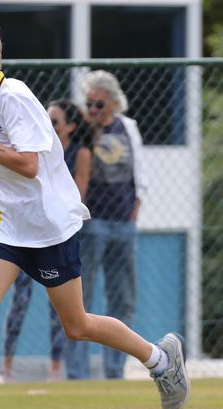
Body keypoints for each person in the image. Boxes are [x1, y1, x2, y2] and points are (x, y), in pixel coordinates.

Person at [0, 11, 190, 409]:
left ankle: (160, 359)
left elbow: (31, 164)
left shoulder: (15, 96)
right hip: (5, 224)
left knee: (77, 325)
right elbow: (13, 161)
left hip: (49, 227)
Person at [0, 99, 92, 383]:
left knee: (70, 319)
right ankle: (7, 368)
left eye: (56, 122)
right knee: (16, 303)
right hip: (23, 234)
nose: (48, 125)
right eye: (46, 119)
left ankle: (55, 368)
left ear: (71, 127)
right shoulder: (33, 143)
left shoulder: (77, 152)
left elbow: (74, 189)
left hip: (54, 234)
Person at [64, 71, 146, 380]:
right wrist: (89, 131)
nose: (94, 111)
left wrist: (136, 208)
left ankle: (115, 369)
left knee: (122, 296)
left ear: (113, 103)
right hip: (91, 222)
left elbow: (139, 169)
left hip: (123, 221)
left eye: (99, 105)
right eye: (89, 104)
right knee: (80, 299)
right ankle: (77, 372)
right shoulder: (82, 131)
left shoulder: (128, 128)